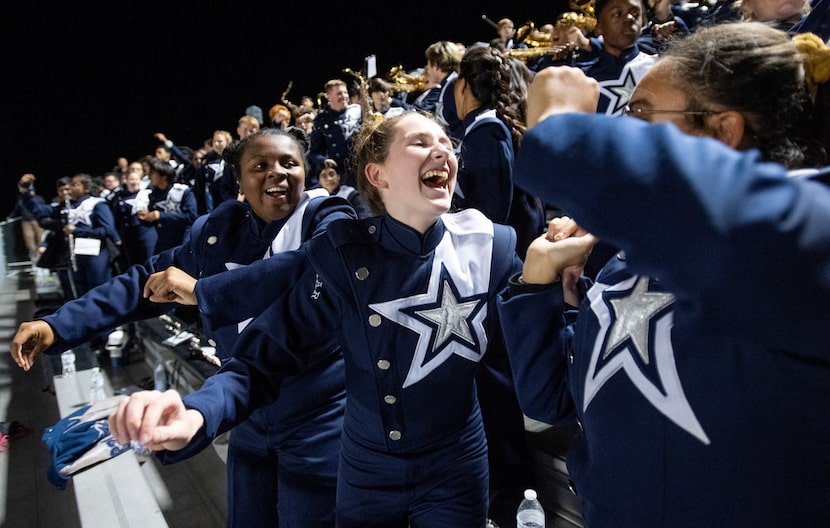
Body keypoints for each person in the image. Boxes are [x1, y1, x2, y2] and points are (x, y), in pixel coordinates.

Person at [109, 111, 523, 527]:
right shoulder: (344, 257)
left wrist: (546, 284)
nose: (443, 150)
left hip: (458, 466)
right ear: (377, 175)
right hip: (366, 473)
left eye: (447, 143)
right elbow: (263, 359)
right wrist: (196, 413)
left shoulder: (491, 245)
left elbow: (529, 364)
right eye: (420, 142)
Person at [496, 23, 830, 527]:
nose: (623, 131)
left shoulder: (801, 238)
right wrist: (538, 289)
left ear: (722, 131)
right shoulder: (627, 259)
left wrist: (563, 128)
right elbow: (554, 403)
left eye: (641, 115)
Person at [10, 127, 356, 527]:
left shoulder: (329, 218)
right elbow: (144, 281)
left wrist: (203, 291)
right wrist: (58, 325)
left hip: (320, 419)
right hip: (244, 410)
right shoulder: (217, 233)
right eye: (260, 165)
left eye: (289, 163)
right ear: (239, 181)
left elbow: (305, 264)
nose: (277, 173)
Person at [453, 46, 546, 259]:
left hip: (505, 254)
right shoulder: (487, 126)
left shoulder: (488, 131)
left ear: (463, 85)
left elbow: (491, 213)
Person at [309, 78, 362, 187]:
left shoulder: (358, 111)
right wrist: (324, 161)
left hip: (361, 168)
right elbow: (314, 151)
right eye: (339, 93)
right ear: (329, 97)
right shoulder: (321, 119)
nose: (344, 96)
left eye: (345, 92)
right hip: (341, 175)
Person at [138, 159, 198, 254]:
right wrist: (146, 217)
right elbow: (154, 221)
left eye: (153, 173)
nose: (149, 176)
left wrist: (160, 215)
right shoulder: (153, 195)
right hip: (164, 240)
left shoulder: (182, 191)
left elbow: (191, 217)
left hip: (183, 237)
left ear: (163, 175)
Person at [9, 174, 46, 264]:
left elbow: (44, 209)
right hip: (26, 222)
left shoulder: (39, 198)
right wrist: (9, 217)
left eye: (32, 190)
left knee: (41, 239)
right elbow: (16, 210)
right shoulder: (21, 200)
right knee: (29, 241)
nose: (31, 192)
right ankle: (34, 259)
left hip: (37, 221)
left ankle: (43, 259)